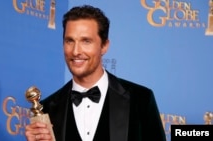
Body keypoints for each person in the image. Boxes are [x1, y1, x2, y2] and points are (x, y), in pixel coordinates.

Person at [25, 5, 166, 141]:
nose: (76, 51)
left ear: (104, 46)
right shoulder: (47, 108)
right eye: (69, 41)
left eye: (86, 41)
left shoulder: (141, 99)